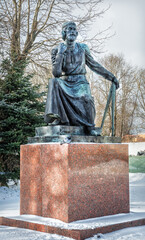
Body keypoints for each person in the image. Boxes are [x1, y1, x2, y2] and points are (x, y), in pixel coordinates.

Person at [44, 22, 119, 136]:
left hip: (80, 81)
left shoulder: (83, 48)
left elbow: (94, 65)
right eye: (70, 29)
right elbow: (56, 73)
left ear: (77, 33)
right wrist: (60, 53)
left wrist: (111, 77)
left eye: (74, 29)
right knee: (54, 82)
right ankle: (57, 117)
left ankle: (90, 127)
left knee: (86, 97)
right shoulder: (56, 49)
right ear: (64, 32)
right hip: (66, 81)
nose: (72, 31)